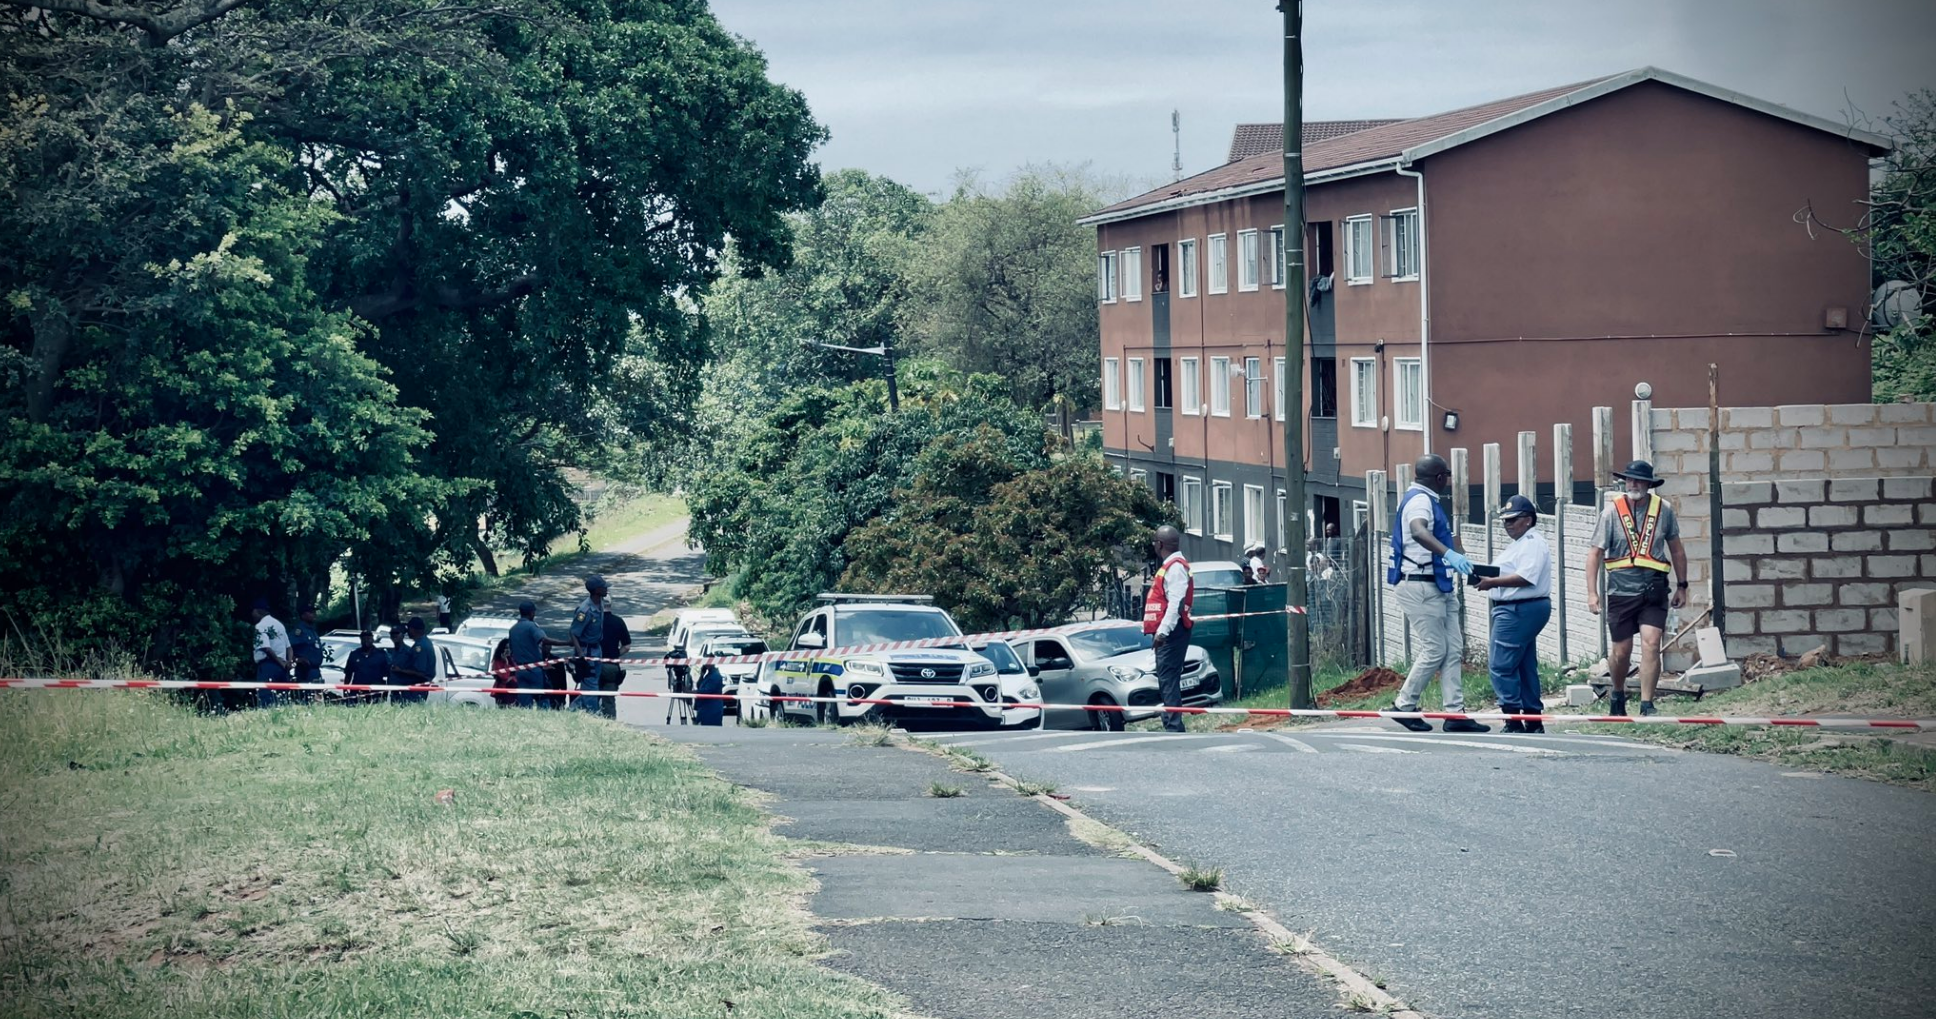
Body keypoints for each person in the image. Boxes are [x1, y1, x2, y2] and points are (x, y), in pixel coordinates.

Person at [1386, 455, 1490, 733]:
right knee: (1435, 649)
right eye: (1447, 477)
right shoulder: (1420, 501)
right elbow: (1418, 531)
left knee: (1452, 649)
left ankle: (1455, 714)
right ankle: (1404, 706)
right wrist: (1450, 555)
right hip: (1420, 584)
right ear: (1440, 478)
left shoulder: (1429, 501)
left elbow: (1447, 539)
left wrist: (1465, 563)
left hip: (1438, 585)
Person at [1585, 459, 1689, 717]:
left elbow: (1677, 550)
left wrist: (1682, 586)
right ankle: (1617, 692)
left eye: (1638, 481)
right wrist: (1592, 593)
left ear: (1648, 484)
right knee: (1621, 653)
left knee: (1652, 644)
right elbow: (1595, 554)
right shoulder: (1611, 513)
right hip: (1620, 593)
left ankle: (1646, 704)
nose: (1633, 484)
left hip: (1654, 591)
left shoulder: (1664, 510)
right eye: (1629, 480)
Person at [1475, 495, 1552, 734]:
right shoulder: (1520, 543)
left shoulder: (1531, 543)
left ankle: (1513, 718)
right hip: (1520, 608)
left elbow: (1526, 577)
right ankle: (1533, 719)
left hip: (1519, 608)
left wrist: (1492, 582)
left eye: (1513, 520)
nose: (1507, 525)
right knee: (1524, 665)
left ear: (1528, 520)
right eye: (1505, 521)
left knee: (1501, 664)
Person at [1141, 524, 1194, 733]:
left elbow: (1176, 604)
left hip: (1172, 632)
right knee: (1166, 677)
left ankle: (1174, 726)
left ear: (1160, 544)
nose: (1154, 545)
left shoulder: (1175, 567)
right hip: (1170, 631)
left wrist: (1162, 632)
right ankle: (1170, 719)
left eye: (1155, 541)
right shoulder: (1170, 565)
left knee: (1168, 677)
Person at [508, 600, 564, 710]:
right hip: (534, 668)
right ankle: (544, 715)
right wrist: (566, 643)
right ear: (532, 613)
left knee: (524, 701)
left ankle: (526, 716)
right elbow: (544, 640)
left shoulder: (513, 629)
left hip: (520, 669)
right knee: (542, 697)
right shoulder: (531, 626)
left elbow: (511, 650)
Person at [568, 576, 607, 713]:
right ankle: (592, 713)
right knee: (590, 684)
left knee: (593, 682)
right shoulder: (585, 610)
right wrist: (580, 653)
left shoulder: (600, 603)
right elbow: (574, 633)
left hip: (597, 648)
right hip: (587, 650)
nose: (606, 589)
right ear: (597, 590)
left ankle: (573, 709)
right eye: (603, 587)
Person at [251, 598, 292, 708]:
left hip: (268, 665)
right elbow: (289, 648)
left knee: (266, 698)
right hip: (282, 666)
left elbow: (267, 649)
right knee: (283, 699)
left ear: (258, 611)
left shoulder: (260, 626)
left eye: (253, 611)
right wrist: (288, 662)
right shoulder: (279, 624)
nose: (252, 614)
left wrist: (281, 663)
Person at [597, 596, 631, 719]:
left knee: (590, 697)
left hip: (593, 665)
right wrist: (615, 654)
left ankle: (590, 722)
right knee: (609, 701)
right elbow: (626, 646)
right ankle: (610, 723)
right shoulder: (618, 622)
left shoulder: (594, 621)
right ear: (611, 605)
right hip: (611, 667)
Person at [391, 617, 437, 703]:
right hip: (416, 687)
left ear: (412, 629)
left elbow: (420, 672)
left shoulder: (420, 647)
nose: (407, 632)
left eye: (408, 629)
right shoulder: (424, 642)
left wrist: (400, 670)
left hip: (416, 688)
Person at [286, 604, 324, 703]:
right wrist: (297, 659)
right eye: (310, 612)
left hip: (316, 670)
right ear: (303, 615)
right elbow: (288, 647)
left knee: (317, 701)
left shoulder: (312, 630)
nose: (314, 614)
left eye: (314, 612)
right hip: (305, 671)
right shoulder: (299, 631)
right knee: (307, 700)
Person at [342, 630, 391, 703]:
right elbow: (348, 674)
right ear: (360, 640)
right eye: (363, 638)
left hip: (376, 691)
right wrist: (345, 689)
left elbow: (388, 674)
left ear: (372, 639)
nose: (366, 641)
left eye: (368, 638)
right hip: (357, 691)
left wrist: (387, 690)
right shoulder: (354, 654)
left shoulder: (381, 655)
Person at [384, 624, 414, 700]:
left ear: (403, 635)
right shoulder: (389, 652)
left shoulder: (409, 652)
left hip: (407, 690)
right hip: (393, 690)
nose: (394, 635)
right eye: (392, 633)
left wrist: (401, 670)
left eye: (397, 633)